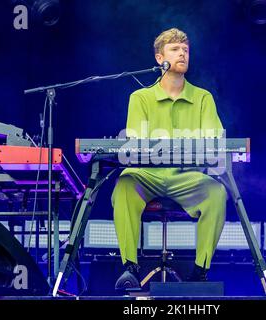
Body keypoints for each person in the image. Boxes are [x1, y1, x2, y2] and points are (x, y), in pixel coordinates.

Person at [112, 28, 227, 291]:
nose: (183, 54)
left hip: (188, 177)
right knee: (125, 184)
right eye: (175, 49)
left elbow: (214, 142)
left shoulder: (203, 98)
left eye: (186, 50)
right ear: (159, 58)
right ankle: (129, 267)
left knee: (217, 192)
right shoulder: (140, 98)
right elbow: (136, 146)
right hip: (148, 176)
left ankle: (200, 272)